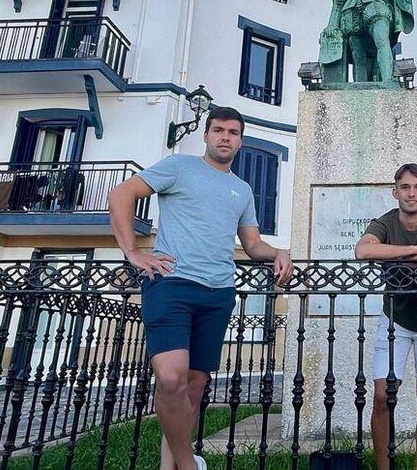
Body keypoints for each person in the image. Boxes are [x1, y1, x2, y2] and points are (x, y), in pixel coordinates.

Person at [108, 107, 292, 470]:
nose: (226, 137)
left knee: (192, 389)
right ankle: (188, 466)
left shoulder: (242, 189)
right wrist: (132, 252)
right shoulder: (179, 167)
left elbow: (252, 244)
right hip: (172, 285)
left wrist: (278, 252)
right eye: (219, 130)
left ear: (240, 140)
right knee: (170, 378)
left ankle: (170, 466)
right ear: (207, 135)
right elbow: (121, 195)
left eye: (234, 132)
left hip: (218, 292)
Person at [355, 163, 417, 470]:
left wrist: (398, 256)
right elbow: (362, 251)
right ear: (395, 192)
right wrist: (415, 251)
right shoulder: (384, 222)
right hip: (394, 320)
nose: (411, 193)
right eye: (405, 187)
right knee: (381, 397)